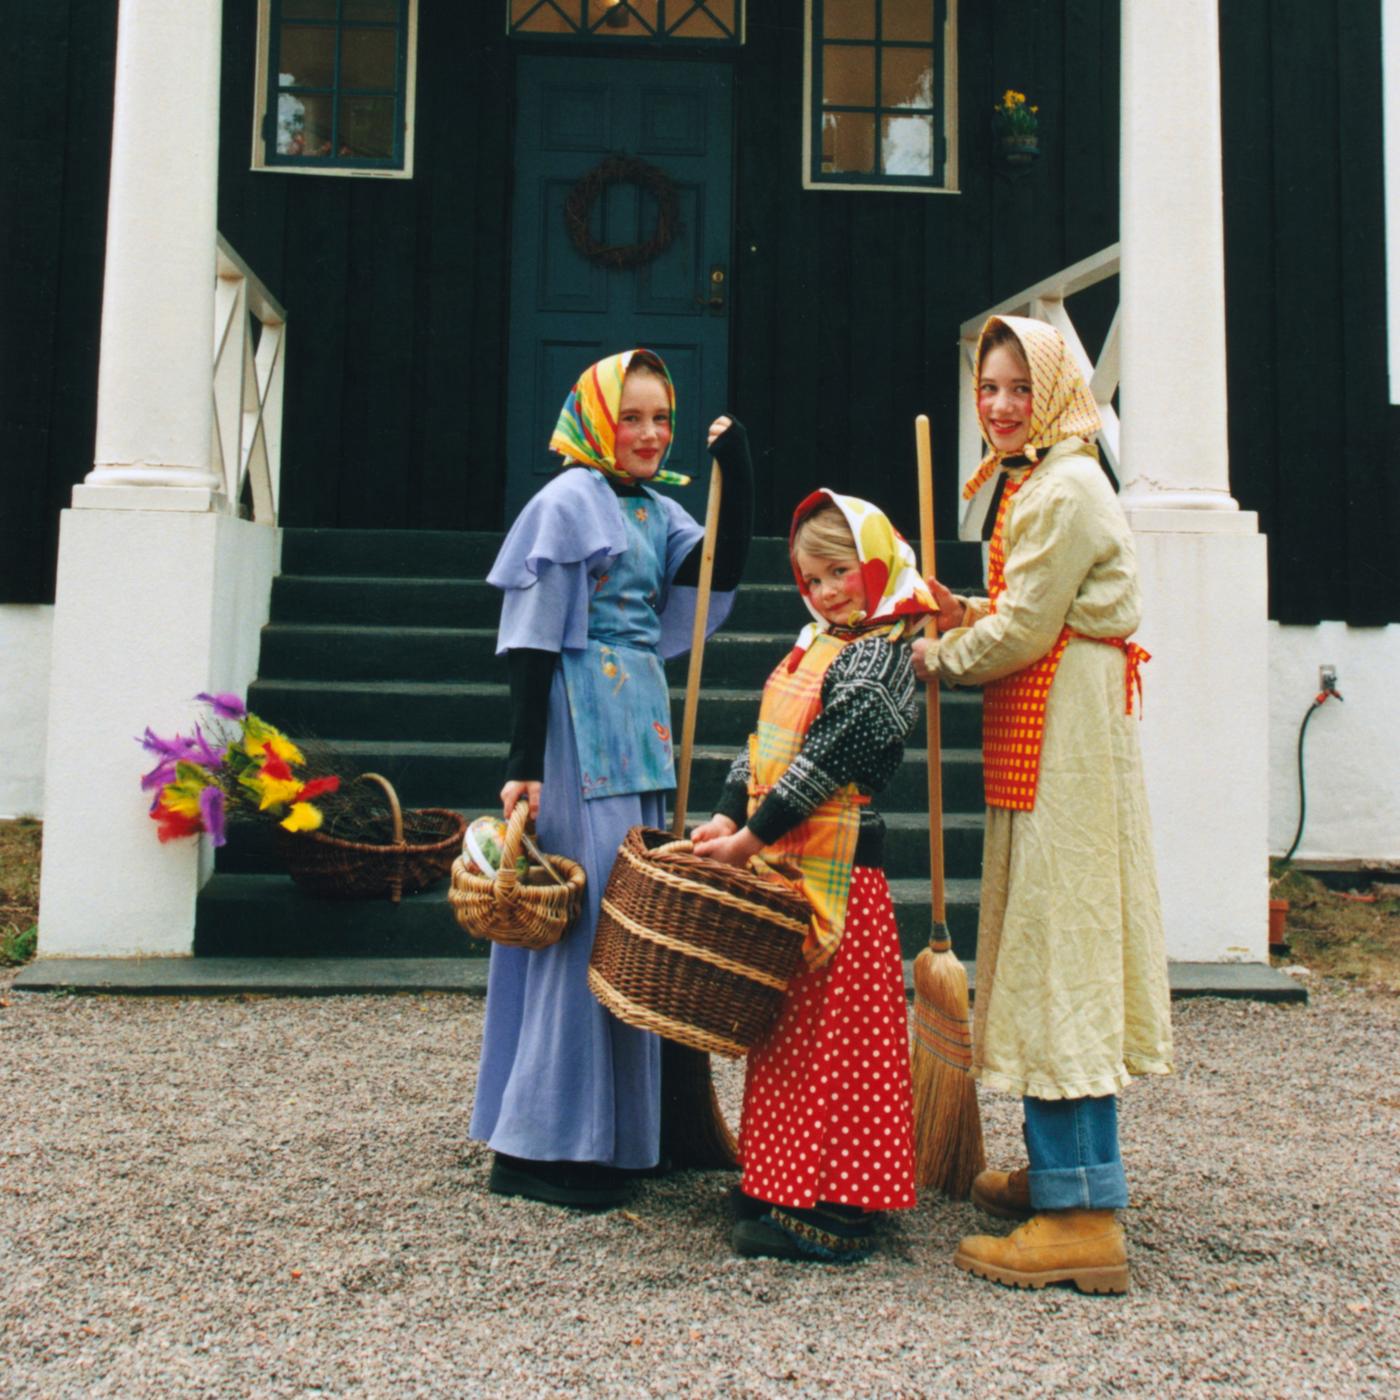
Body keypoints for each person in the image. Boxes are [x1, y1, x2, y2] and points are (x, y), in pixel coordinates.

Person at [911, 314, 1173, 1294]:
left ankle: (1082, 1216)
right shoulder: (1035, 480)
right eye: (986, 387)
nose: (999, 404)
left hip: (1066, 743)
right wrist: (956, 610)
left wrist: (945, 651)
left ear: (1057, 390)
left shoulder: (1062, 487)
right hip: (1050, 734)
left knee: (1061, 949)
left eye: (1019, 387)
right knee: (1042, 945)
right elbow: (1025, 609)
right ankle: (1060, 1171)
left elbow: (1026, 629)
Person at [471, 348, 753, 1209]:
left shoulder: (657, 510)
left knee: (634, 924)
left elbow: (720, 572)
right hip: (571, 718)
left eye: (660, 417)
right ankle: (538, 1148)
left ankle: (619, 1136)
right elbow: (527, 637)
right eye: (631, 417)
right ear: (594, 419)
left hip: (640, 724)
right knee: (584, 924)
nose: (648, 433)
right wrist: (522, 767)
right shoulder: (565, 503)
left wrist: (736, 472)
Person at [692, 490, 932, 1262]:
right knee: (791, 1037)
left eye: (840, 573)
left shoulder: (883, 654)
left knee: (842, 1045)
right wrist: (730, 814)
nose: (827, 591)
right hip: (789, 861)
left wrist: (754, 832)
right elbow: (767, 740)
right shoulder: (815, 642)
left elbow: (828, 759)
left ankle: (841, 1203)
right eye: (812, 578)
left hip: (841, 875)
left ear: (874, 566)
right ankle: (784, 1177)